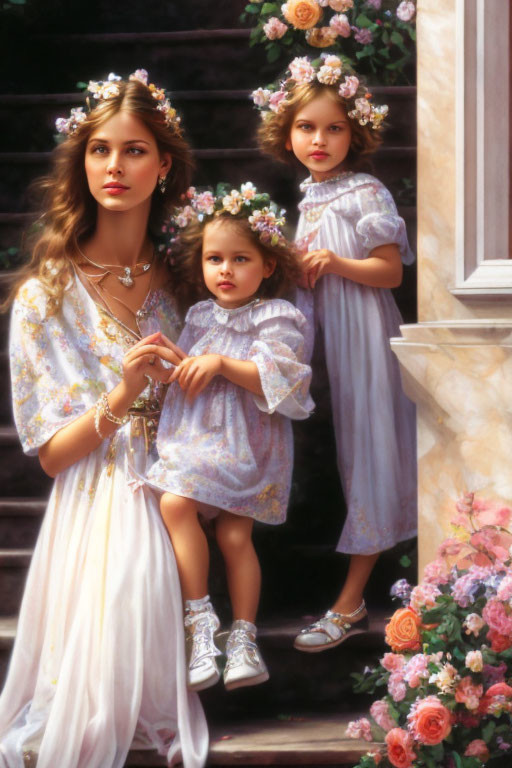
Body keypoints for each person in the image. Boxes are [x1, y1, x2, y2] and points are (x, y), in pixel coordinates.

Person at [0, 70, 208, 768]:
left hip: (195, 478)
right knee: (131, 540)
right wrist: (123, 395)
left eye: (133, 151)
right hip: (99, 491)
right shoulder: (47, 295)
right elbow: (52, 455)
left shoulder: (195, 277)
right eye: (100, 150)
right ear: (82, 161)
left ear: (163, 165)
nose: (114, 167)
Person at [253, 55, 417, 651]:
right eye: (306, 128)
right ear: (287, 133)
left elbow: (390, 272)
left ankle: (350, 606)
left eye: (333, 128)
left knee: (370, 448)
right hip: (327, 335)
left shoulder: (364, 190)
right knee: (347, 451)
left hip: (365, 335)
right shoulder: (311, 195)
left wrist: (334, 263)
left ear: (355, 133)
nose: (318, 140)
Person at [145, 184, 313, 691]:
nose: (225, 270)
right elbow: (191, 374)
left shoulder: (277, 316)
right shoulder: (198, 317)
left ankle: (243, 638)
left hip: (248, 443)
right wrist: (171, 361)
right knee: (176, 506)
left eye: (241, 259)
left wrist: (220, 362)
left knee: (235, 534)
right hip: (199, 436)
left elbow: (280, 379)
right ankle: (202, 626)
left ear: (266, 266)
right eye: (214, 258)